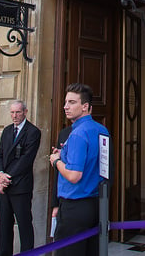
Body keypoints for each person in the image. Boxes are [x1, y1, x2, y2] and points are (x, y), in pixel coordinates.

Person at [49, 83, 109, 256]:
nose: (65, 106)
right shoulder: (101, 129)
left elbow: (74, 175)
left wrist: (56, 161)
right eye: (66, 102)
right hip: (95, 205)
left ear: (85, 107)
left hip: (74, 207)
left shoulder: (77, 134)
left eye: (72, 102)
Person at [0, 99, 41, 256]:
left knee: (24, 226)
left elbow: (26, 160)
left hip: (20, 187)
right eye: (12, 112)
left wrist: (8, 177)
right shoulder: (7, 131)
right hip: (3, 187)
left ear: (25, 112)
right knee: (5, 226)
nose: (14, 116)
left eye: (18, 112)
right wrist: (0, 174)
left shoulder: (33, 132)